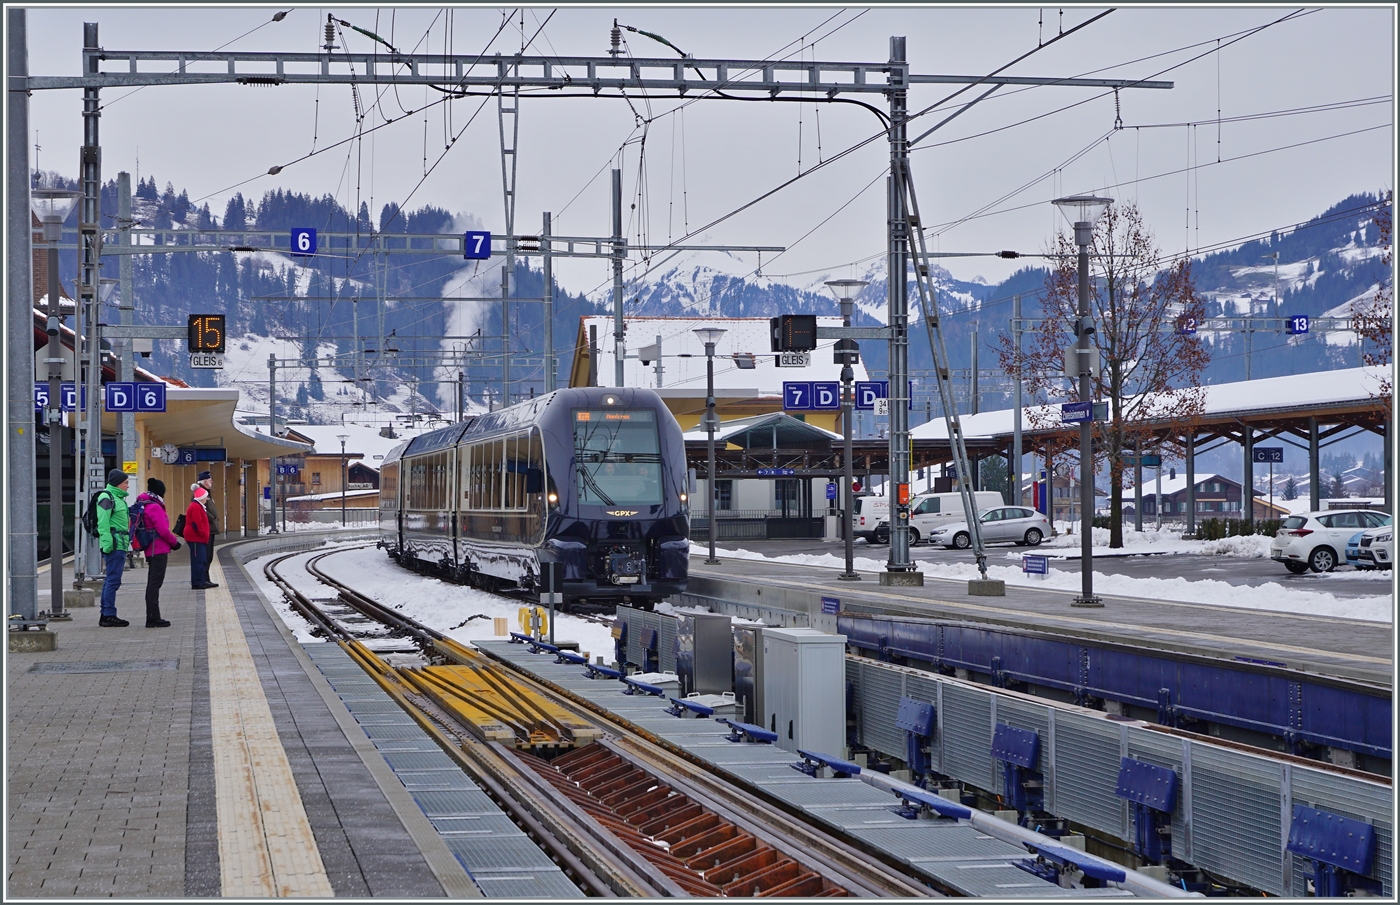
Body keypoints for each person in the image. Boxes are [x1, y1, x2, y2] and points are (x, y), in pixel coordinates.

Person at [133, 478, 180, 627]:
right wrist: (175, 543)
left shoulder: (145, 503)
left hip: (152, 549)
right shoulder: (155, 507)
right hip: (157, 549)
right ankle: (153, 617)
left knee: (153, 582)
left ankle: (152, 616)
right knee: (155, 583)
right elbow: (163, 530)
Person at [94, 469, 131, 627]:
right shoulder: (107, 497)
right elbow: (103, 523)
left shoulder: (118, 498)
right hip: (115, 544)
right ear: (118, 483)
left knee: (112, 579)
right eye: (126, 483)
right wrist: (108, 544)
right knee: (113, 580)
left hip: (120, 543)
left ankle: (107, 613)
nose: (128, 486)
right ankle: (108, 614)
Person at [185, 486, 217, 590]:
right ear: (201, 497)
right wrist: (204, 534)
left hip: (199, 539)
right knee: (198, 560)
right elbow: (197, 523)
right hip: (196, 538)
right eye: (205, 497)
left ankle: (202, 580)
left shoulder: (198, 506)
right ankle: (197, 582)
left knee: (202, 560)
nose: (206, 499)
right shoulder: (196, 507)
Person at [197, 470, 220, 552]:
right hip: (207, 528)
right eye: (210, 480)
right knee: (207, 554)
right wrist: (212, 517)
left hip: (210, 527)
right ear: (205, 481)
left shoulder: (206, 492)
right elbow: (200, 508)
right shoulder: (200, 493)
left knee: (209, 554)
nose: (212, 482)